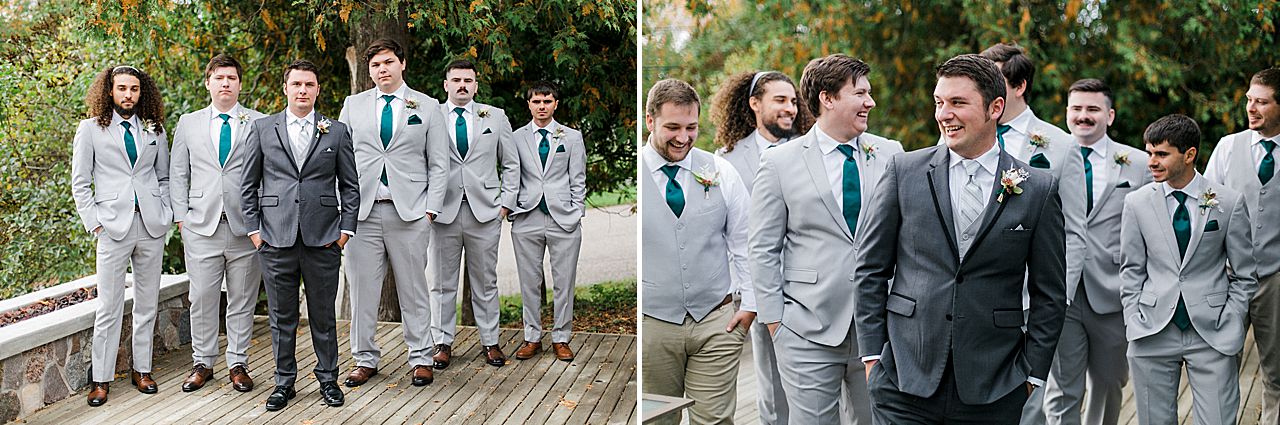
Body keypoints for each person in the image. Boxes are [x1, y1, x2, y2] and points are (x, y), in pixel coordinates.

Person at [855, 54, 1066, 424]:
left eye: (957, 102)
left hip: (994, 383)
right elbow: (871, 268)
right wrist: (873, 357)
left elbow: (1050, 293)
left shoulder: (1038, 189)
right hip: (904, 377)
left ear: (995, 108)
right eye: (939, 102)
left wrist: (1032, 374)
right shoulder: (904, 171)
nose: (943, 114)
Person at [749, 55, 901, 425]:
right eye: (860, 93)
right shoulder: (780, 162)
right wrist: (776, 323)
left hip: (880, 328)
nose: (870, 102)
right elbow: (763, 247)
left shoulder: (891, 154)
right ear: (827, 98)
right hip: (805, 329)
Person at [1121, 114, 1257, 425]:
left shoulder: (1228, 202)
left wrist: (1232, 316)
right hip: (1151, 330)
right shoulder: (1136, 203)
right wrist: (1133, 317)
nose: (1151, 162)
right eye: (1149, 152)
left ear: (1189, 154)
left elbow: (1245, 274)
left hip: (1213, 331)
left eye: (1161, 154)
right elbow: (1131, 269)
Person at [240, 59, 359, 411]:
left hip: (324, 237)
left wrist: (345, 231)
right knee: (281, 317)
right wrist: (255, 232)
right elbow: (247, 185)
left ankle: (328, 380)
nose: (302, 90)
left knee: (323, 315)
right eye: (297, 84)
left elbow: (350, 186)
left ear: (318, 89)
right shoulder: (262, 129)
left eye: (309, 84)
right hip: (275, 238)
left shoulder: (336, 131)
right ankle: (284, 382)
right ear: (286, 88)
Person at [640, 78, 757, 425]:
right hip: (653, 326)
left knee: (715, 421)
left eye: (691, 127)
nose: (683, 137)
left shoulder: (720, 170)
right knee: (657, 420)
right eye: (672, 127)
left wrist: (750, 305)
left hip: (716, 322)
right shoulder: (637, 173)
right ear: (650, 121)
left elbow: (745, 241)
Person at [338, 38, 449, 388]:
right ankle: (364, 358)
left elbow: (439, 164)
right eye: (375, 65)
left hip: (411, 214)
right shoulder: (353, 105)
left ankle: (421, 357)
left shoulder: (427, 106)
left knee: (414, 290)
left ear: (402, 63)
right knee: (362, 291)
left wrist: (429, 212)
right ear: (369, 71)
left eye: (388, 62)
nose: (382, 69)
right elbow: (339, 160)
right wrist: (343, 210)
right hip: (362, 215)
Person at [1043, 78, 1150, 425]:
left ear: (1110, 115)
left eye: (1092, 109)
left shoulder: (1138, 163)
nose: (1083, 116)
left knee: (1109, 383)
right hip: (1061, 289)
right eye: (1076, 108)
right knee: (1061, 389)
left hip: (1113, 291)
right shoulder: (1045, 156)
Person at [710, 69, 809, 425]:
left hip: (813, 284)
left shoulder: (812, 149)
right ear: (754, 103)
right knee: (772, 386)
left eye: (793, 101)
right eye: (780, 100)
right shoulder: (726, 160)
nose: (790, 108)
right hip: (763, 287)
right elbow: (724, 230)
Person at [71, 64, 172, 406]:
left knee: (147, 303)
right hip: (112, 228)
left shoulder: (154, 129)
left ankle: (142, 370)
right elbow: (80, 183)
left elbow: (164, 177)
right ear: (110, 91)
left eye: (134, 89)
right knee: (109, 306)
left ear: (142, 93)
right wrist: (95, 223)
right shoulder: (90, 129)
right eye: (122, 88)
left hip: (151, 226)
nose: (128, 95)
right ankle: (101, 379)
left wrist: (165, 212)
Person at [170, 54, 266, 394]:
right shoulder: (189, 123)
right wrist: (181, 218)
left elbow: (268, 173)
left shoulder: (259, 122)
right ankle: (203, 363)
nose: (225, 83)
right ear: (208, 82)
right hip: (201, 225)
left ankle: (238, 363)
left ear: (239, 84)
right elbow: (177, 173)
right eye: (219, 77)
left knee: (242, 298)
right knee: (201, 298)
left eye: (231, 78)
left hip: (246, 227)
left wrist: (262, 220)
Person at [429, 59, 519, 369]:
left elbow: (511, 163)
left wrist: (505, 204)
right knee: (442, 283)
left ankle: (490, 341)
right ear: (446, 85)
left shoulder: (495, 116)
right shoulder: (432, 115)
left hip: (485, 212)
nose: (462, 85)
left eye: (468, 80)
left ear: (476, 85)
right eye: (456, 80)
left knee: (486, 281)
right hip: (443, 212)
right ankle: (442, 343)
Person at [1205, 67, 1280, 425]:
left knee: (1277, 373)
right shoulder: (1227, 147)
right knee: (1220, 367)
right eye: (1249, 100)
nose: (1251, 108)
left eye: (1261, 102)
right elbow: (1206, 208)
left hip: (1276, 279)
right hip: (1229, 276)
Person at [509, 81, 587, 363]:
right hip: (526, 216)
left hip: (563, 218)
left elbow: (578, 178)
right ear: (529, 104)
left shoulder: (572, 137)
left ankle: (561, 337)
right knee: (529, 280)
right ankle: (532, 336)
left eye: (547, 101)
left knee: (564, 281)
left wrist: (576, 211)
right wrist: (513, 209)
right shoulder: (516, 137)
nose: (541, 106)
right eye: (536, 101)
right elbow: (511, 174)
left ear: (556, 104)